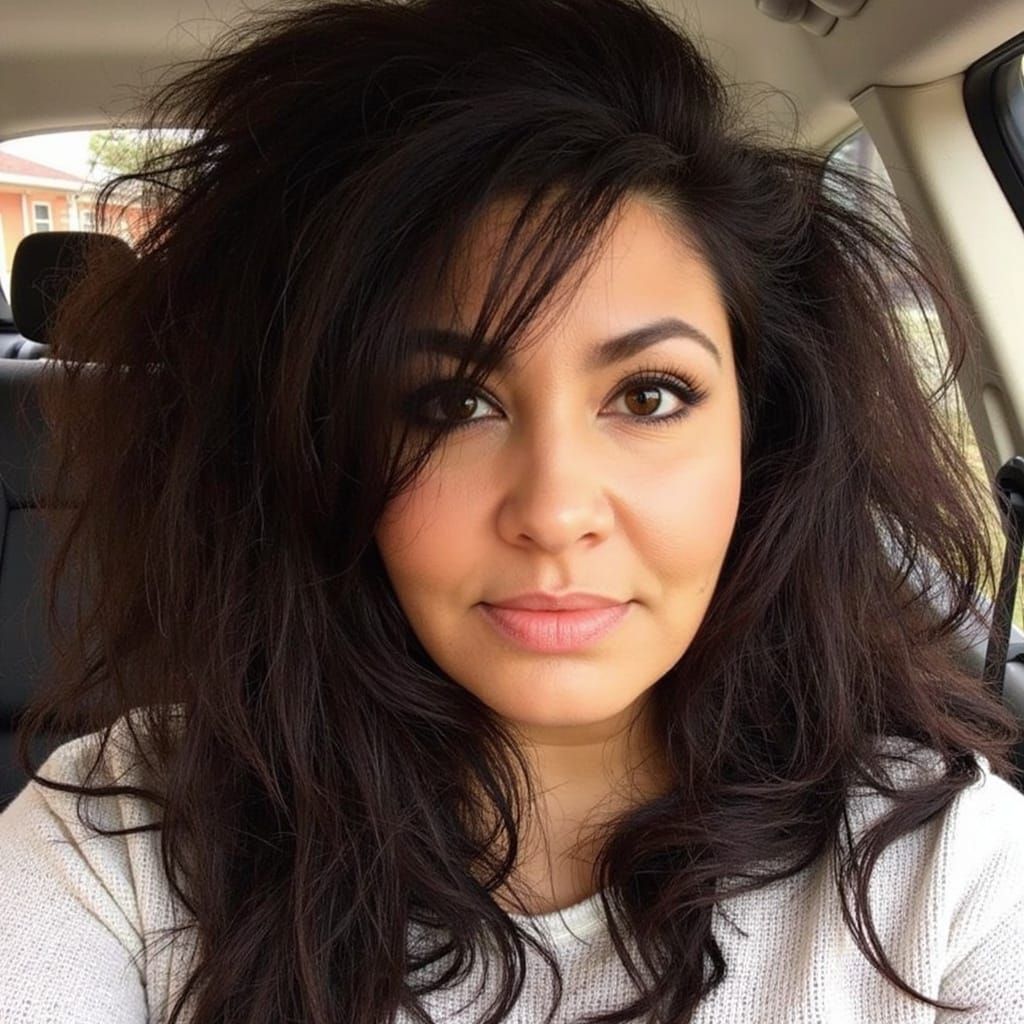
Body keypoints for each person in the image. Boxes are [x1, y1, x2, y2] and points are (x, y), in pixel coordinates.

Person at [1, 0, 1023, 1021]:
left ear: (763, 438)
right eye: (450, 404)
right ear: (319, 451)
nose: (555, 510)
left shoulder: (941, 869)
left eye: (649, 394)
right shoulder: (128, 836)